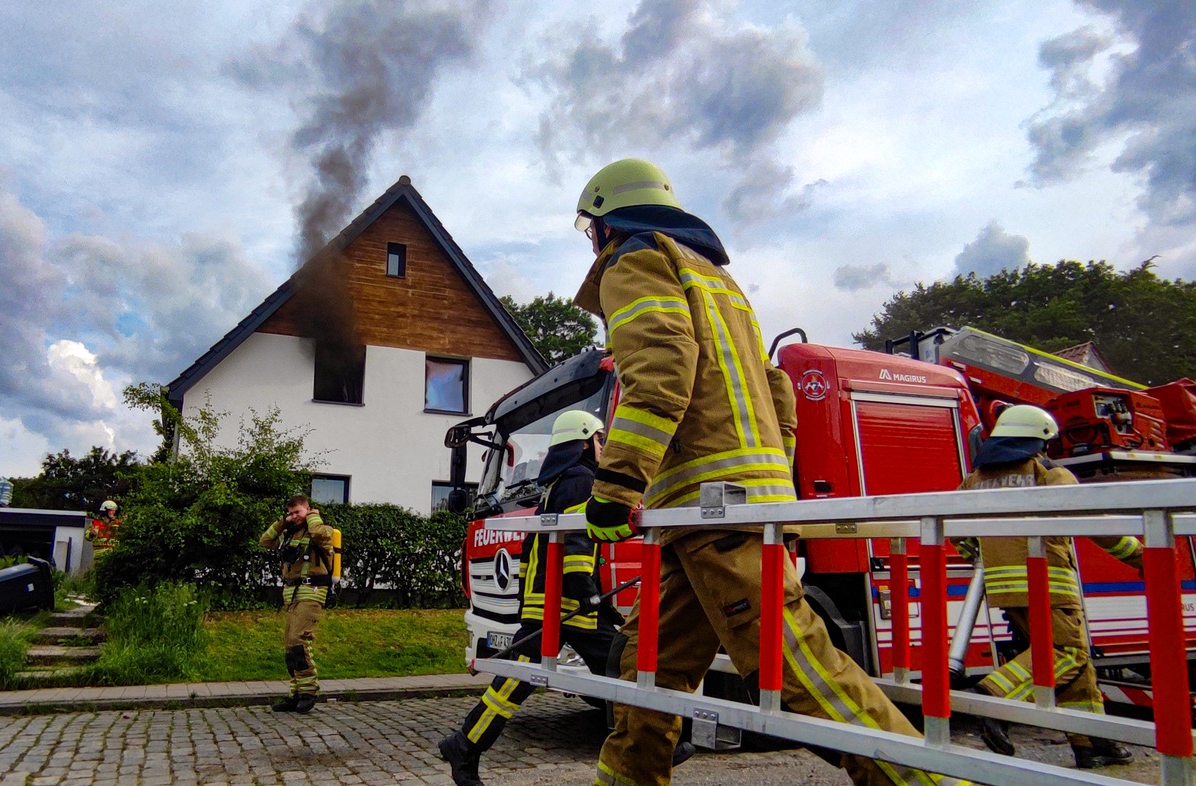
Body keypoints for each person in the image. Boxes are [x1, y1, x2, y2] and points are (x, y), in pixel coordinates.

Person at [572, 158, 969, 786]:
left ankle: (926, 779)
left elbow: (661, 370)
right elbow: (778, 392)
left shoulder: (638, 262)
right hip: (719, 508)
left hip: (711, 506)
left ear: (604, 224)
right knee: (648, 671)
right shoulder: (718, 282)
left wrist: (617, 484)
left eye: (588, 228)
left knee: (791, 666)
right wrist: (769, 481)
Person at [439, 411, 627, 786]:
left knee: (616, 665)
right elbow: (575, 541)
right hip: (565, 604)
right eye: (600, 439)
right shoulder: (580, 480)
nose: (604, 447)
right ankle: (464, 745)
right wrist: (586, 592)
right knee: (622, 665)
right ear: (584, 442)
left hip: (555, 601)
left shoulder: (559, 482)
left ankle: (465, 744)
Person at [960, 404, 1141, 769]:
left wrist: (982, 554)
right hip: (1049, 583)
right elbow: (1090, 519)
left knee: (1078, 668)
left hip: (1003, 587)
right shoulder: (1048, 472)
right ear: (1038, 442)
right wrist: (1140, 555)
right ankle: (991, 698)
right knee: (1066, 653)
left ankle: (1092, 743)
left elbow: (956, 530)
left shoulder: (974, 479)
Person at [259, 493, 335, 713]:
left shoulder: (322, 529)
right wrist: (283, 523)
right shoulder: (291, 533)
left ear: (308, 509)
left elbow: (319, 533)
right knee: (289, 646)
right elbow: (265, 541)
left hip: (312, 592)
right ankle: (296, 693)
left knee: (298, 640)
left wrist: (313, 516)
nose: (294, 516)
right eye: (290, 513)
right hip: (292, 594)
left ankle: (309, 691)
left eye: (297, 512)